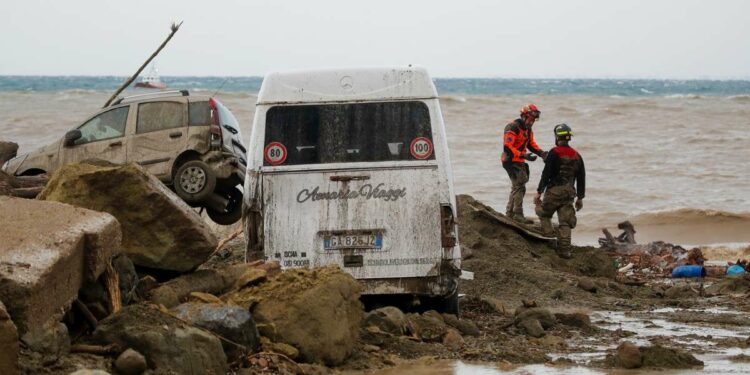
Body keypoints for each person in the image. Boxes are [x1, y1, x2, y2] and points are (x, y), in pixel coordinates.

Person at [534, 124, 586, 259]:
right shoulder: (577, 155)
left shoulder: (554, 152)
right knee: (565, 222)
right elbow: (581, 178)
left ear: (557, 137)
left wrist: (539, 192)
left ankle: (550, 241)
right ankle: (565, 251)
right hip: (569, 193)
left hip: (554, 191)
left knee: (544, 213)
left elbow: (546, 174)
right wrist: (580, 198)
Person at [502, 103, 547, 224]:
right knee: (519, 186)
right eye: (530, 119)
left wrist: (542, 153)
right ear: (524, 116)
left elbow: (531, 144)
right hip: (510, 160)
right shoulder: (513, 127)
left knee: (518, 186)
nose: (532, 122)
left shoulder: (528, 129)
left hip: (519, 160)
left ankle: (510, 213)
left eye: (533, 120)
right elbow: (507, 147)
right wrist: (523, 155)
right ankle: (517, 214)